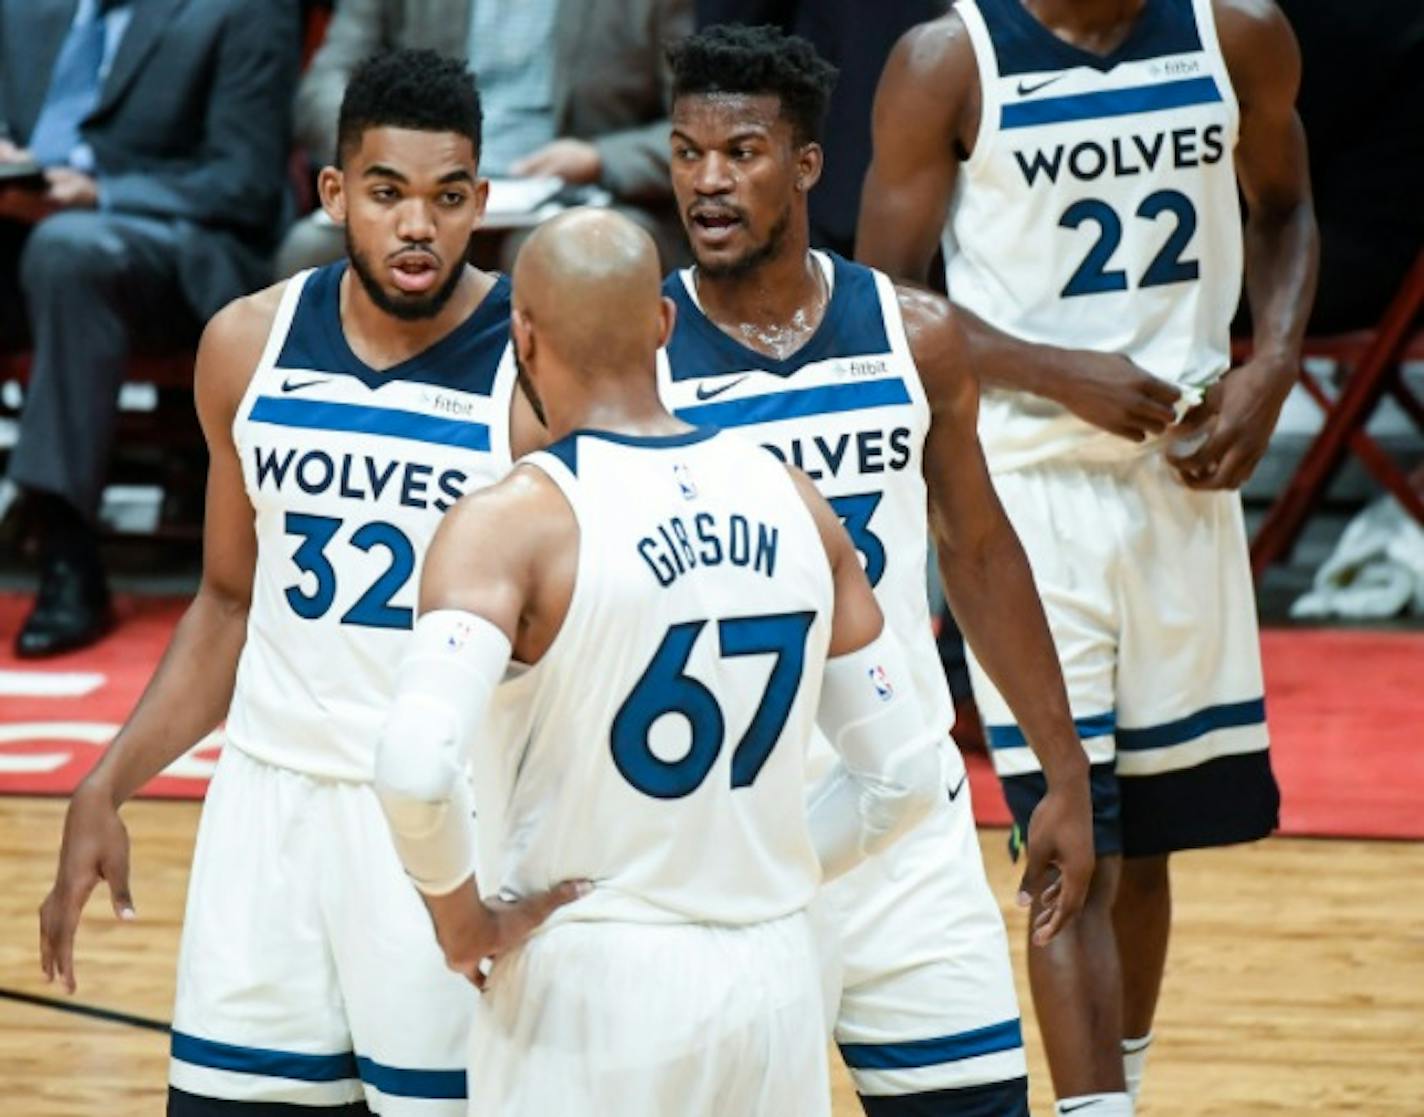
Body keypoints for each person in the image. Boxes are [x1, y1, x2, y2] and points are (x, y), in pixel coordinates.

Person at [38, 50, 548, 1114]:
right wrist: (107, 779)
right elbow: (226, 603)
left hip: (447, 822)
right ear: (331, 192)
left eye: (447, 198)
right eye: (386, 192)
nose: (418, 226)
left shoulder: (534, 371)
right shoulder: (247, 346)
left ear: (481, 202)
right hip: (265, 819)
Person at [373, 206, 941, 1116]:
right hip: (773, 972)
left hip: (590, 969)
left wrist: (460, 919)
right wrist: (760, 868)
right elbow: (909, 776)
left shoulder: (510, 523)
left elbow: (411, 769)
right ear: (665, 324)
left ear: (521, 335)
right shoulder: (795, 498)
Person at [856, 0, 1317, 1112]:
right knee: (1075, 836)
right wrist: (1050, 368)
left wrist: (1271, 365)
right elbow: (874, 300)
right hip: (1024, 493)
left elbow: (1287, 207)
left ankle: (1119, 1096)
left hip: (1180, 481)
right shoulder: (946, 61)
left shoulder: (1236, 32)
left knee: (1149, 838)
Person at [658, 25, 1095, 1115]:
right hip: (716, 837)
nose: (708, 181)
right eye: (686, 152)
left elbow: (979, 552)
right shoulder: (632, 350)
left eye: (742, 151)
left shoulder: (916, 336)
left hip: (901, 821)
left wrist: (1062, 771)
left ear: (805, 165)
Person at [0, 0, 299, 657]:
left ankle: (67, 550)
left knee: (69, 249)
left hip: (173, 252)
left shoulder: (243, 12)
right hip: (22, 233)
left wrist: (98, 194)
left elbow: (243, 183)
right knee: (57, 246)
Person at [276, 0, 693, 276]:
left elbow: (697, 123)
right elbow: (323, 87)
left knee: (557, 255)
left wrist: (598, 158)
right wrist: (388, 147)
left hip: (577, 196)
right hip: (419, 180)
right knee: (310, 250)